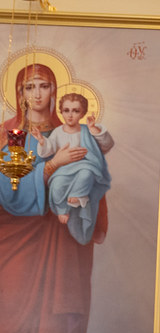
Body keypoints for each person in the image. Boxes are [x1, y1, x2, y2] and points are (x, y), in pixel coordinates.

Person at [0, 62, 100, 333]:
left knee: (55, 326)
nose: (37, 94)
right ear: (19, 93)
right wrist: (53, 166)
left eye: (44, 85)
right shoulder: (8, 136)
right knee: (13, 328)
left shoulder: (73, 134)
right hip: (16, 246)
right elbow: (8, 194)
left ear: (56, 91)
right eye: (30, 87)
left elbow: (94, 180)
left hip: (61, 246)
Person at [31, 92, 113, 244]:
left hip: (84, 166)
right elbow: (48, 149)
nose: (70, 115)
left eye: (75, 111)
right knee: (56, 186)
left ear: (82, 113)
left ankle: (78, 196)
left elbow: (107, 144)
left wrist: (94, 128)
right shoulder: (57, 132)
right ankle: (63, 210)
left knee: (87, 174)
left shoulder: (86, 131)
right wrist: (42, 140)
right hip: (63, 170)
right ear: (61, 112)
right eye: (66, 110)